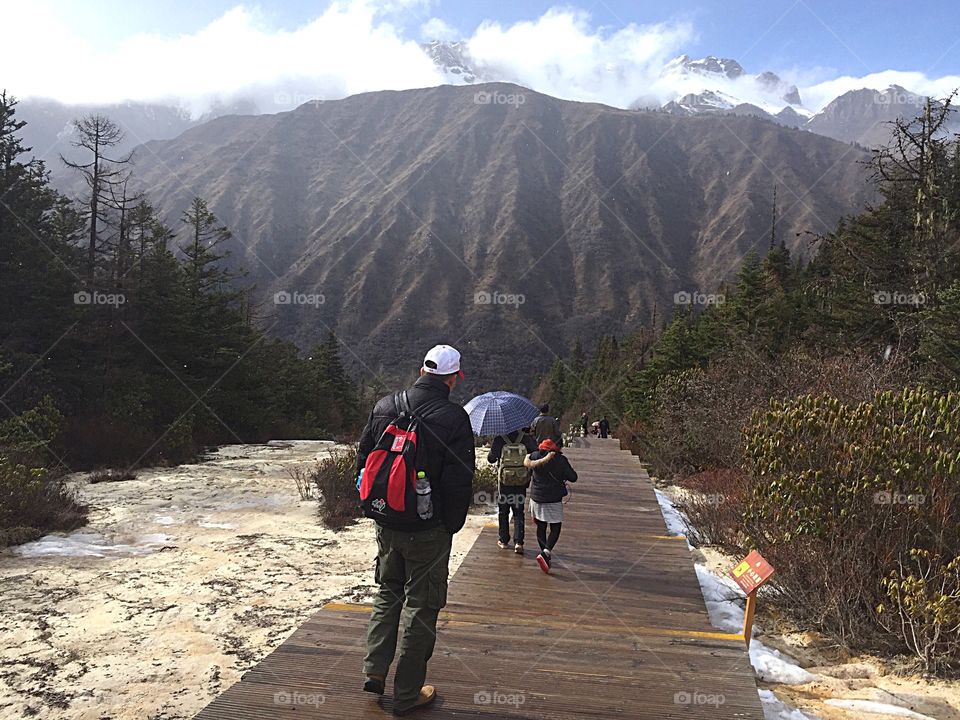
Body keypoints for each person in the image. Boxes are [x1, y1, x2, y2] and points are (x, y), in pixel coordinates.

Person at [357, 344, 475, 716]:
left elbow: (362, 461)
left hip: (387, 521)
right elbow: (459, 481)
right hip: (429, 528)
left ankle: (375, 670)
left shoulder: (385, 405)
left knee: (388, 591)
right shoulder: (454, 418)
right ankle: (407, 694)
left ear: (420, 370)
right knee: (422, 607)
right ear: (454, 378)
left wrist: (380, 509)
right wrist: (451, 525)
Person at [524, 438, 578, 573]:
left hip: (536, 498)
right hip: (553, 499)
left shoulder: (534, 456)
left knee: (541, 526)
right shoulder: (560, 460)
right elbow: (573, 477)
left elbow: (529, 473)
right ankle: (546, 552)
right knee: (555, 527)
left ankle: (544, 553)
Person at [487, 428, 537, 554]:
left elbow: (491, 459)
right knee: (518, 512)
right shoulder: (525, 438)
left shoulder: (500, 439)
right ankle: (518, 542)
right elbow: (535, 453)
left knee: (503, 511)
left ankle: (503, 540)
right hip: (521, 481)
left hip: (504, 483)